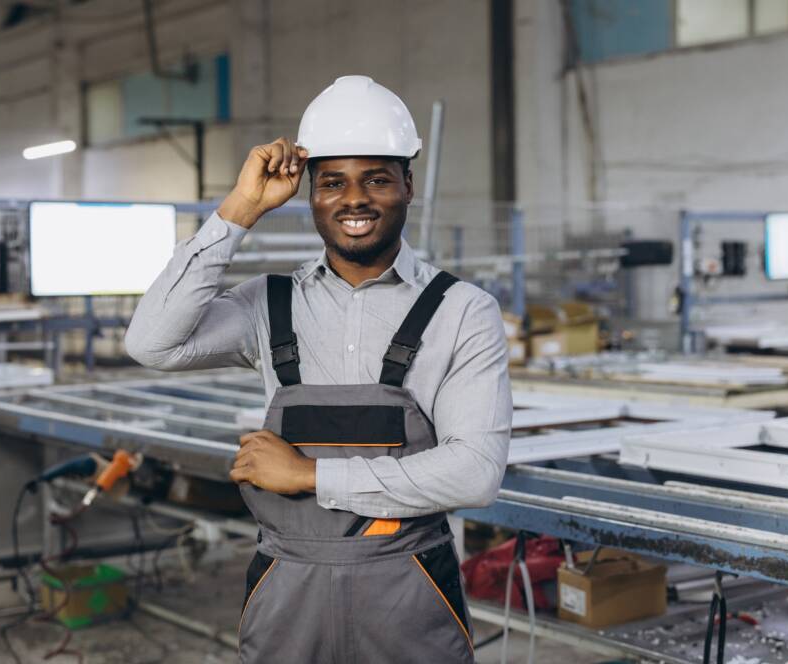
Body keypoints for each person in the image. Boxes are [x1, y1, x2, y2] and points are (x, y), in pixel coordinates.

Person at [125, 75, 512, 664]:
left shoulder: (462, 311)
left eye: (376, 179)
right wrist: (239, 210)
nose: (353, 199)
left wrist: (309, 476)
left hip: (407, 591)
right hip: (287, 591)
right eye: (332, 183)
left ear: (408, 185)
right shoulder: (268, 304)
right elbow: (152, 343)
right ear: (310, 193)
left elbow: (474, 474)